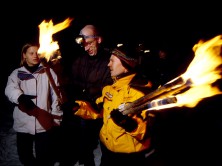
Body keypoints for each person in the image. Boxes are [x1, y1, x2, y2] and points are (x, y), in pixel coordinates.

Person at [74, 43, 156, 166]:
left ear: (125, 65)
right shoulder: (109, 89)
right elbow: (97, 111)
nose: (108, 64)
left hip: (129, 158)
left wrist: (129, 124)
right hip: (107, 153)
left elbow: (149, 130)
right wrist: (77, 107)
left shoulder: (141, 93)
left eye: (112, 61)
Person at [60, 24, 113, 166]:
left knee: (104, 149)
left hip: (98, 114)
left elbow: (108, 88)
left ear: (99, 39)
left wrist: (88, 99)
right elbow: (72, 83)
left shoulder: (110, 61)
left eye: (89, 43)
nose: (86, 48)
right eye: (83, 44)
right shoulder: (79, 60)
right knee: (81, 148)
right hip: (80, 113)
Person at [5, 43, 63, 166]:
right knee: (25, 157)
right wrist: (20, 97)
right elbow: (9, 89)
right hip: (24, 123)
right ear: (24, 55)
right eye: (31, 53)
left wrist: (56, 119)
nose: (35, 55)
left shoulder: (48, 72)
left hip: (44, 122)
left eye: (37, 52)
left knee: (45, 158)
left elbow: (56, 97)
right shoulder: (16, 73)